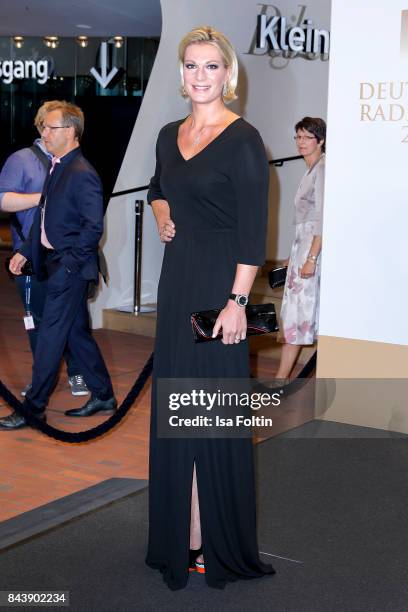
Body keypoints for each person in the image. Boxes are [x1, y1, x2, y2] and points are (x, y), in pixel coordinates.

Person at [146, 26, 274, 589]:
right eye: (192, 66)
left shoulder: (244, 139)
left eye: (211, 67)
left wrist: (238, 301)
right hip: (177, 286)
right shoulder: (167, 133)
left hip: (221, 290)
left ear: (229, 74)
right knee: (179, 415)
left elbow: (253, 233)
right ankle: (184, 536)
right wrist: (162, 216)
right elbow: (157, 187)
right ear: (182, 74)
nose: (201, 76)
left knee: (211, 415)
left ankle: (214, 539)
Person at [0, 101, 116, 430]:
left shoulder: (81, 173)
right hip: (54, 262)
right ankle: (104, 394)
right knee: (76, 333)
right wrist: (26, 250)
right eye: (44, 128)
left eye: (50, 128)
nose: (44, 133)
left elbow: (93, 229)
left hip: (69, 268)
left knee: (50, 336)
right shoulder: (57, 165)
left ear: (71, 131)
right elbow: (45, 217)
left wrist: (69, 265)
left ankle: (32, 408)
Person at [0, 101, 89, 398]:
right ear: (41, 127)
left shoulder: (69, 162)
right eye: (48, 125)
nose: (51, 131)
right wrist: (44, 196)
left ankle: (79, 374)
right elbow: (3, 201)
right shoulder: (21, 159)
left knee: (76, 321)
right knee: (36, 322)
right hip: (30, 256)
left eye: (57, 126)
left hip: (65, 258)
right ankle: (42, 382)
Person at [275, 116, 326, 380]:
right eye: (298, 137)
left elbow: (324, 218)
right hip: (303, 248)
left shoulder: (323, 169)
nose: (301, 142)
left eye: (307, 137)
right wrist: (292, 257)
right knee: (295, 316)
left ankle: (282, 380)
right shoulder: (311, 169)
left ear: (321, 140)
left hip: (313, 250)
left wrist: (311, 258)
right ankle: (282, 379)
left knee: (299, 316)